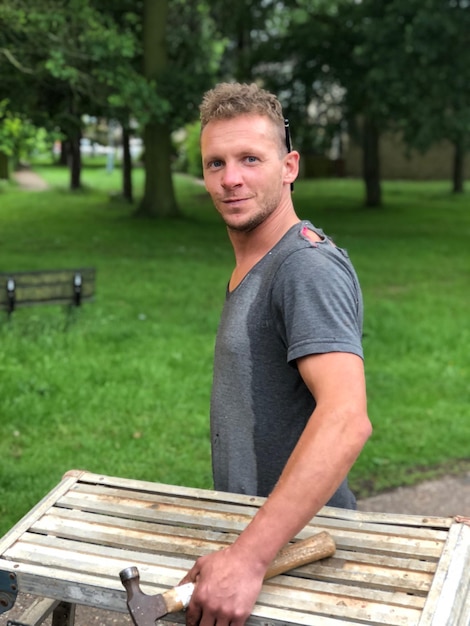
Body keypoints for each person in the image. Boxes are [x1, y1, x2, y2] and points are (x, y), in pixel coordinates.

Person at [181, 82, 372, 626]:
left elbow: (346, 418)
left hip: (296, 560)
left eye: (249, 159)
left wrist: (248, 558)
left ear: (289, 166)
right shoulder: (257, 260)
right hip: (265, 547)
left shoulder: (304, 268)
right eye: (215, 163)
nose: (230, 178)